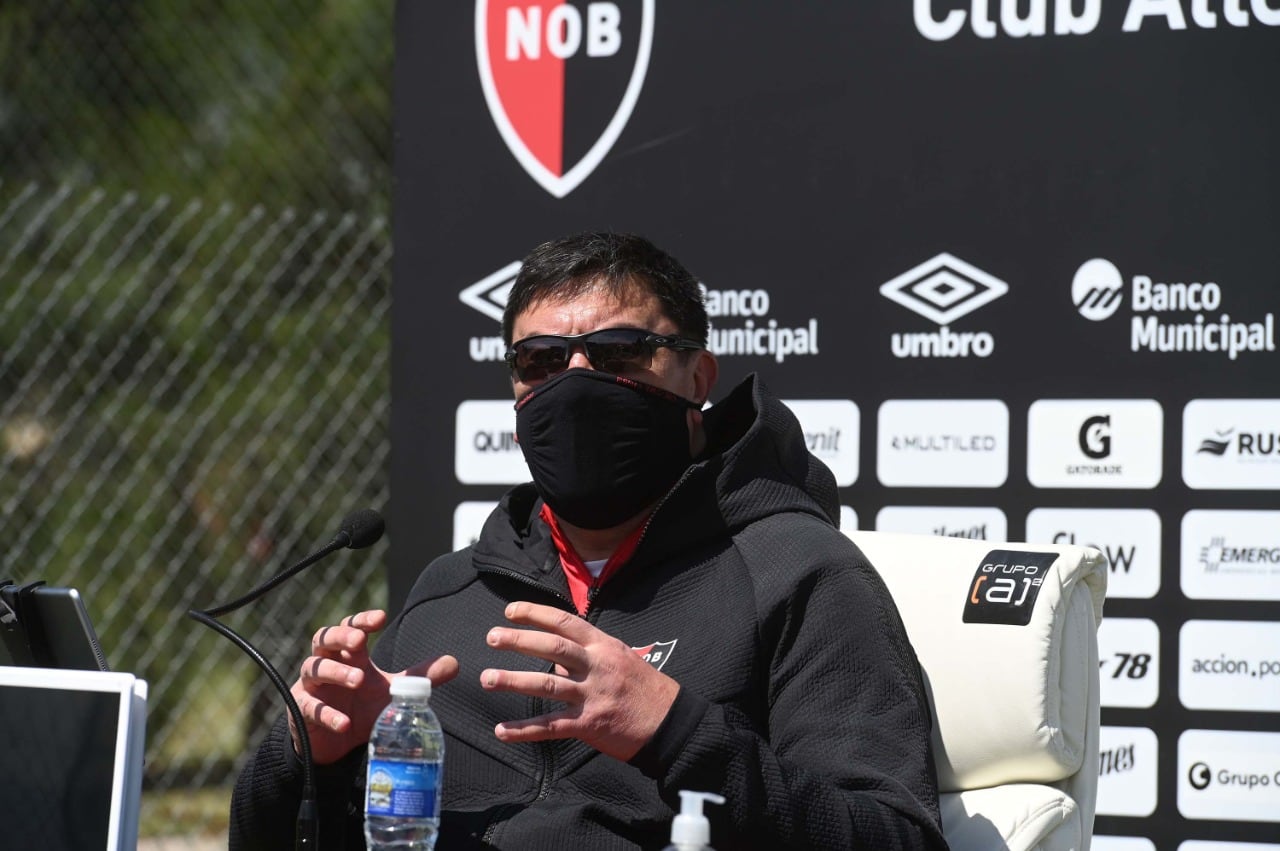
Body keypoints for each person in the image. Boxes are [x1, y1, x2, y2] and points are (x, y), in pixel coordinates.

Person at [230, 232, 949, 850]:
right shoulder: (449, 593)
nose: (576, 382)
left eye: (619, 352)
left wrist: (675, 731)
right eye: (541, 360)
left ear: (698, 377)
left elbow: (896, 837)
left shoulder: (797, 573)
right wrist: (311, 759)